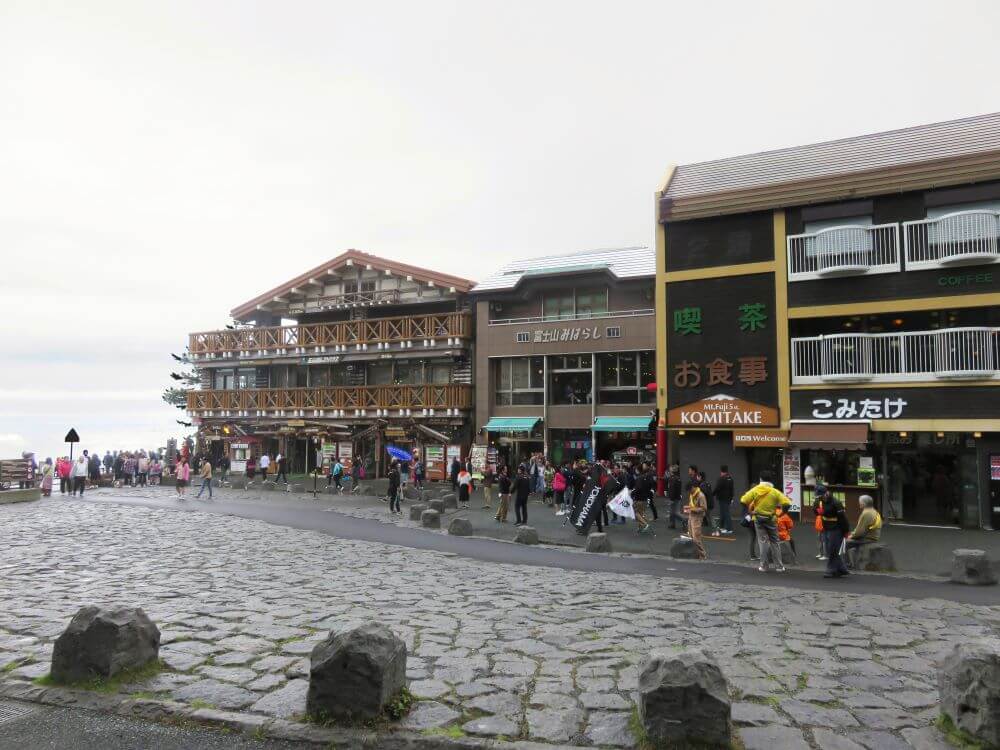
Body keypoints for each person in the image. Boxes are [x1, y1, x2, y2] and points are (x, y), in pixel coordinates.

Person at [740, 470, 791, 573]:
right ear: (771, 480)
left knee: (763, 542)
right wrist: (781, 514)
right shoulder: (775, 492)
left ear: (760, 479)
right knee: (775, 542)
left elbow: (743, 500)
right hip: (771, 519)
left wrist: (751, 511)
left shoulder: (755, 490)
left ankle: (764, 566)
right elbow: (787, 503)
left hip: (758, 519)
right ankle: (779, 566)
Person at [818, 485, 850, 578]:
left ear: (826, 493)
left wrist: (846, 531)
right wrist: (818, 512)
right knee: (830, 549)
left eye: (822, 495)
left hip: (836, 528)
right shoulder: (820, 500)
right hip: (826, 527)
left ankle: (830, 570)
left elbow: (843, 518)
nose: (821, 497)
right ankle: (841, 569)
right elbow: (816, 509)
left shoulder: (836, 503)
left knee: (832, 549)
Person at [845, 495, 882, 569]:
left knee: (844, 543)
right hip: (873, 536)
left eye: (860, 502)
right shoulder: (874, 511)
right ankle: (855, 562)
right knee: (851, 541)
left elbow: (860, 532)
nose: (859, 503)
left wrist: (851, 536)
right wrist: (853, 534)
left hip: (867, 538)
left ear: (864, 503)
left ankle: (847, 565)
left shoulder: (866, 513)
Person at [685, 478, 708, 559]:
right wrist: (688, 508)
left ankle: (702, 555)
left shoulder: (701, 495)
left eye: (690, 490)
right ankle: (696, 554)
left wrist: (693, 509)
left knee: (696, 538)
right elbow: (691, 505)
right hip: (691, 516)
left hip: (697, 517)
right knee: (691, 536)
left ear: (693, 487)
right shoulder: (692, 495)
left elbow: (704, 508)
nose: (689, 492)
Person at [713, 465, 735, 536]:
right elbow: (732, 490)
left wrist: (712, 494)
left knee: (726, 513)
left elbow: (717, 488)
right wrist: (731, 498)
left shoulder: (721, 479)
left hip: (722, 498)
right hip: (728, 498)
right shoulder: (730, 479)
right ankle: (722, 527)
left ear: (721, 471)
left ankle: (729, 529)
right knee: (723, 513)